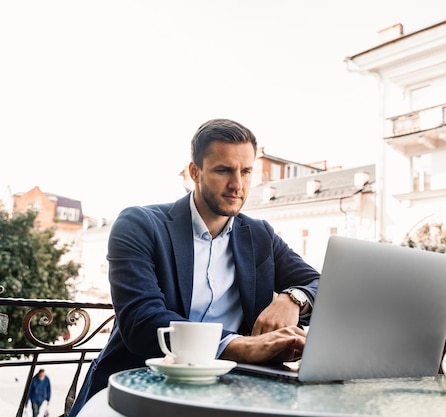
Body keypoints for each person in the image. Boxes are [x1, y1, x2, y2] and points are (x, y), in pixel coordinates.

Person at [67, 118, 319, 417]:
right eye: (224, 170)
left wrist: (293, 298)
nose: (237, 185)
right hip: (138, 384)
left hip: (236, 391)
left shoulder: (259, 235)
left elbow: (320, 283)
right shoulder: (139, 225)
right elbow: (142, 322)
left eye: (246, 171)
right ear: (194, 172)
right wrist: (240, 346)